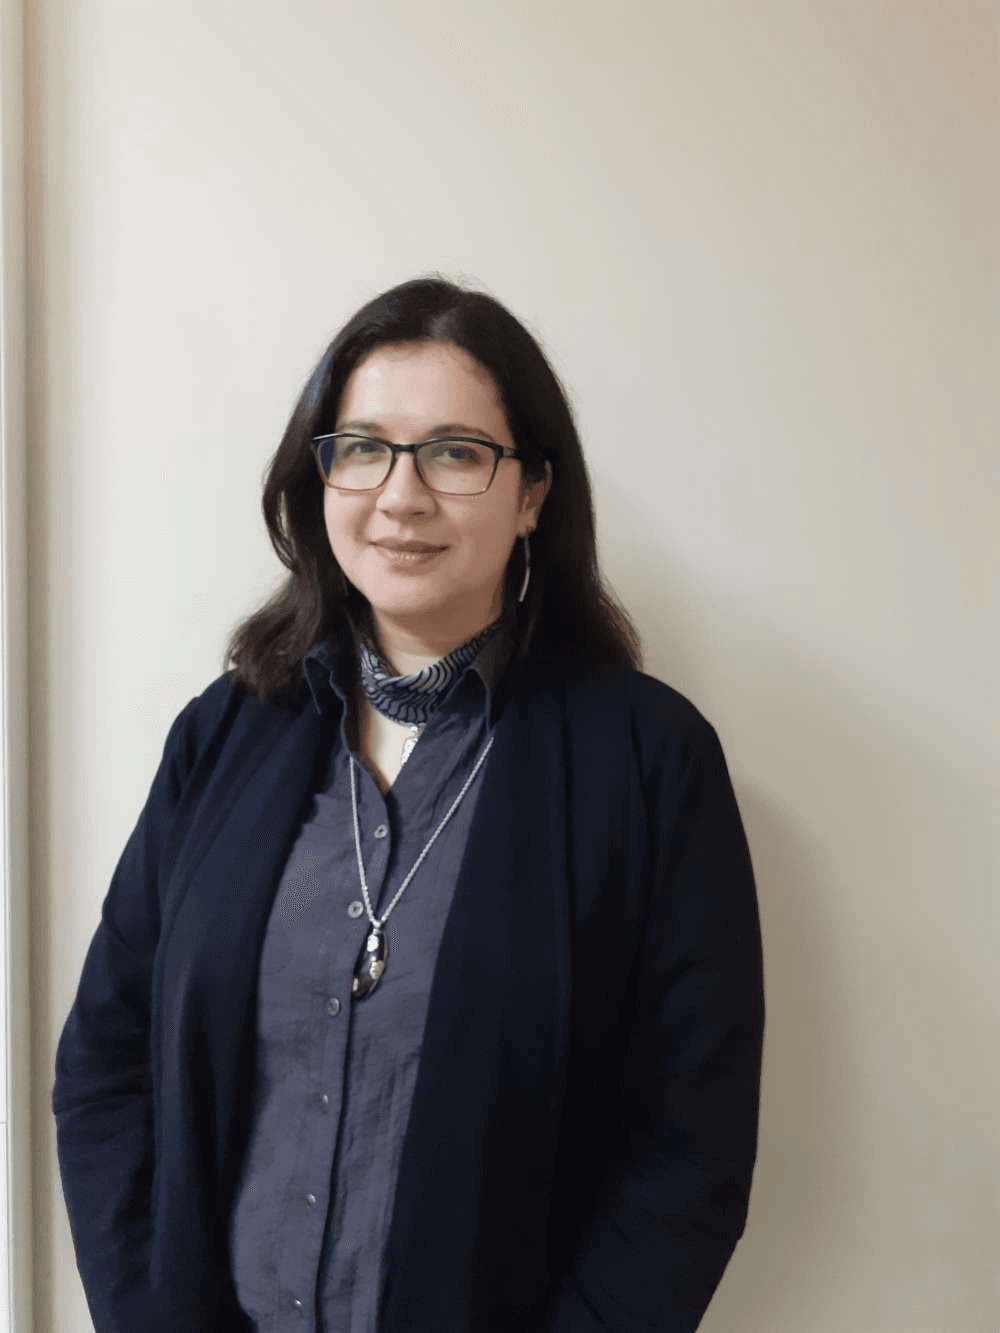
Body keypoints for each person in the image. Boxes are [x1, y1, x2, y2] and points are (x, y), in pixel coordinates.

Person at [53, 276, 765, 1333]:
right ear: (321, 475)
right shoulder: (224, 733)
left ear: (533, 494)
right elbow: (105, 1064)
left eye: (455, 452)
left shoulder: (650, 763)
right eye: (364, 447)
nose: (401, 495)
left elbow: (689, 1146)